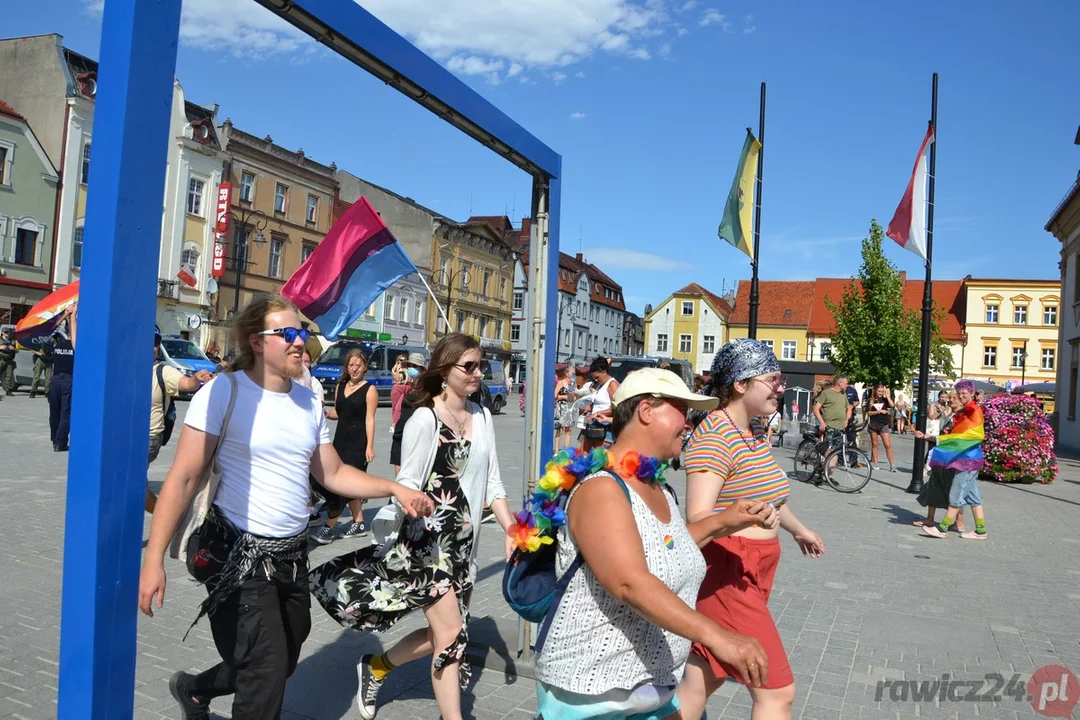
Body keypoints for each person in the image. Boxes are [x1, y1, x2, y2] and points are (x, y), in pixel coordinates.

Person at [137, 293, 433, 720]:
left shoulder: (308, 399)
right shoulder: (225, 391)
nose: (301, 341)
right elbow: (182, 478)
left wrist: (394, 487)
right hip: (237, 556)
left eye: (303, 333)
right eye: (289, 333)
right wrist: (153, 559)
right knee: (266, 667)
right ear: (258, 342)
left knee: (284, 657)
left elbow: (331, 472)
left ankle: (196, 689)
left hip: (293, 556)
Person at [533, 368, 775, 719]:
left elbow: (665, 550)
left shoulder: (656, 486)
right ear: (647, 411)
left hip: (650, 689)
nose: (689, 424)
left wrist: (725, 520)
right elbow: (629, 581)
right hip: (594, 695)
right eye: (683, 411)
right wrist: (719, 637)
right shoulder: (601, 488)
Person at [309, 333, 516, 720]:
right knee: (452, 636)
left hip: (464, 545)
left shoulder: (483, 416)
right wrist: (409, 500)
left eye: (480, 365)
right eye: (468, 366)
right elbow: (407, 483)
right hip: (428, 544)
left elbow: (494, 484)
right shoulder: (425, 418)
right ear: (444, 369)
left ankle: (377, 667)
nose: (477, 372)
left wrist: (510, 529)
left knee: (443, 635)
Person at [677, 338, 826, 720]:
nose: (781, 386)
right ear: (741, 384)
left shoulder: (751, 433)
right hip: (728, 573)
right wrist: (741, 518)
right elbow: (697, 518)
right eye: (773, 378)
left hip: (751, 570)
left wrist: (798, 531)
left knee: (702, 680)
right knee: (777, 692)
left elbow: (770, 500)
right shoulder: (716, 435)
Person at [312, 349, 379, 544]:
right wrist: (323, 414)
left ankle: (329, 526)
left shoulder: (370, 390)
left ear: (365, 367)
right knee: (349, 485)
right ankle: (358, 523)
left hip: (359, 445)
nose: (354, 369)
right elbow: (339, 413)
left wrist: (370, 446)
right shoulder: (341, 385)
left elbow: (370, 420)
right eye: (351, 365)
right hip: (340, 442)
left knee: (343, 485)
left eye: (358, 365)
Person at [146, 329, 213, 513]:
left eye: (156, 342)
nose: (153, 347)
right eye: (149, 341)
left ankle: (168, 518)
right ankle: (169, 518)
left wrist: (195, 379)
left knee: (132, 484)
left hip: (149, 438)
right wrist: (73, 320)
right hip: (126, 437)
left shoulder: (163, 370)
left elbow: (185, 384)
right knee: (131, 485)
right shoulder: (126, 367)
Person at [917, 379, 987, 540]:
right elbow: (959, 434)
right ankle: (981, 531)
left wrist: (936, 438)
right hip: (967, 460)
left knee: (956, 494)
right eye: (959, 393)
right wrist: (949, 431)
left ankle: (942, 528)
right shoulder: (965, 412)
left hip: (968, 461)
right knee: (973, 497)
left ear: (972, 393)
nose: (961, 396)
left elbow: (970, 436)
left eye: (964, 394)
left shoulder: (974, 410)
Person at [914, 390, 967, 532]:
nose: (950, 400)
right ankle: (930, 519)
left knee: (954, 489)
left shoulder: (962, 416)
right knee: (934, 484)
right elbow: (941, 433)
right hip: (942, 454)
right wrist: (925, 435)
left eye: (954, 398)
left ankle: (958, 523)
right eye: (949, 398)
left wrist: (948, 433)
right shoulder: (949, 413)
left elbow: (959, 437)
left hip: (954, 457)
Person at [390, 351, 427, 473]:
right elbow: (397, 408)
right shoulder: (407, 387)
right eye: (409, 366)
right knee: (399, 470)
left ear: (422, 369)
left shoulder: (427, 389)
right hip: (401, 433)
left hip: (416, 436)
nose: (411, 369)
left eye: (414, 366)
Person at [49, 306, 77, 451]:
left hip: (55, 381)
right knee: (66, 412)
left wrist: (65, 315)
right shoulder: (76, 346)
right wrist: (71, 317)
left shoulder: (58, 344)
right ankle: (60, 443)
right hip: (68, 381)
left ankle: (55, 439)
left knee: (55, 412)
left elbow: (49, 331)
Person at [582, 356, 619, 451]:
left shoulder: (612, 384)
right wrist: (588, 408)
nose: (596, 380)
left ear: (605, 372)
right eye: (594, 378)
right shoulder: (600, 385)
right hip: (595, 425)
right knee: (585, 455)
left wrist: (597, 413)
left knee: (599, 460)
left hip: (606, 427)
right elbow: (600, 403)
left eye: (597, 377)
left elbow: (617, 409)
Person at [865, 384, 897, 472]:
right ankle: (875, 463)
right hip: (873, 424)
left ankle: (892, 465)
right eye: (879, 391)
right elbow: (869, 413)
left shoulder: (885, 400)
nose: (880, 393)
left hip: (884, 424)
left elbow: (892, 405)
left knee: (887, 445)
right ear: (875, 391)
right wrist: (878, 411)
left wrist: (887, 396)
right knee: (874, 444)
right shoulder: (870, 401)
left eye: (882, 391)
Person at [390, 352, 409, 434]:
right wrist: (398, 367)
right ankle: (395, 424)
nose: (402, 362)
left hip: (406, 387)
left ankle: (395, 424)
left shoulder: (408, 369)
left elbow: (408, 380)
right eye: (400, 360)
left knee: (400, 407)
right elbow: (397, 378)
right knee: (395, 408)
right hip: (397, 387)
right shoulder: (395, 369)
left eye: (404, 360)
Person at [0, 326, 17, 397]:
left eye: (8, 332)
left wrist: (13, 349)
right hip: (1, 359)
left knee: (9, 375)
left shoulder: (11, 341)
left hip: (9, 360)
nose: (7, 333)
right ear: (2, 333)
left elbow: (17, 350)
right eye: (5, 332)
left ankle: (8, 390)